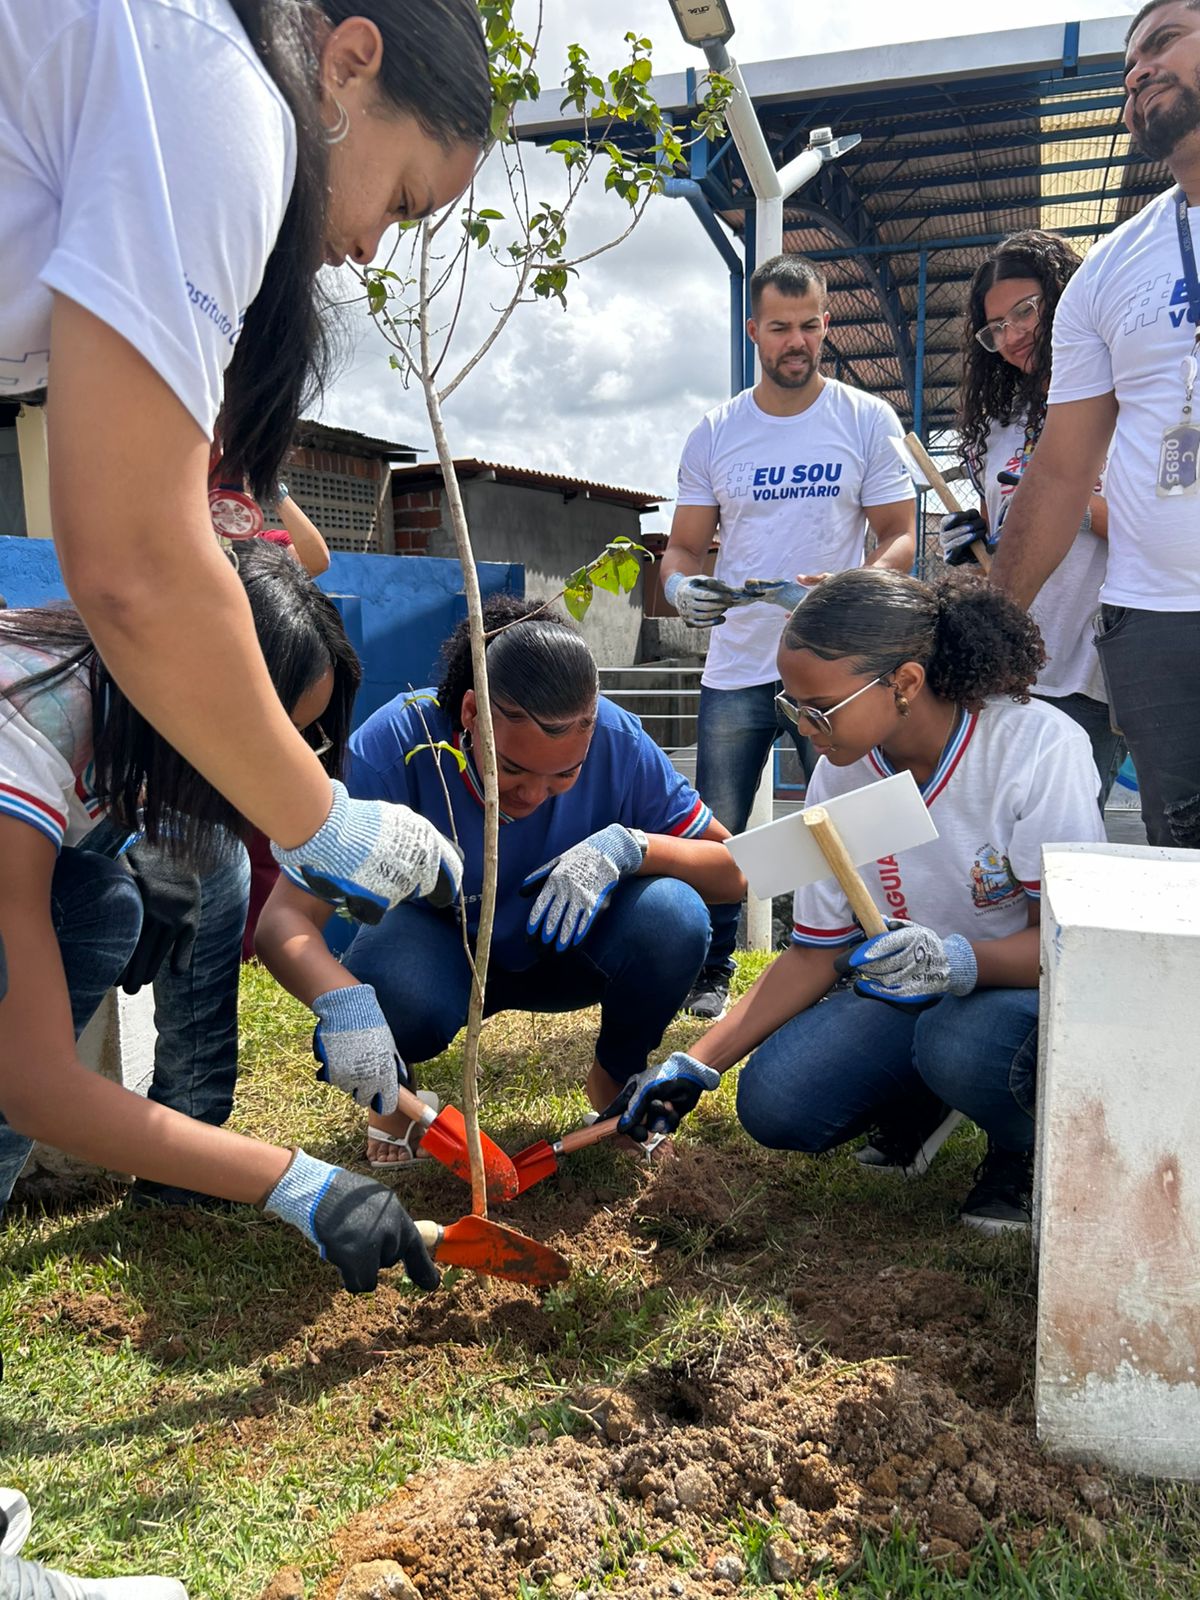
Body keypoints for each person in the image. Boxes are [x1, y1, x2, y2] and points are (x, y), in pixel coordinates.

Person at [0, 0, 485, 929]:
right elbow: (136, 560)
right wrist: (320, 817)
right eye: (402, 199)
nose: (369, 249)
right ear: (348, 64)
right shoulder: (220, 96)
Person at [606, 569, 1105, 1233]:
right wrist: (695, 1063)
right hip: (914, 996)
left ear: (903, 682)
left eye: (818, 708)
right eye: (792, 706)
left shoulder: (1036, 751)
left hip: (1017, 997)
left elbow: (1073, 949)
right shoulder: (842, 771)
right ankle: (926, 1096)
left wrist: (958, 963)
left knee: (962, 1042)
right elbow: (815, 956)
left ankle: (1022, 1148)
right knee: (777, 1104)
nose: (803, 727)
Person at [0, 542, 439, 1294]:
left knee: (180, 869)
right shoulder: (24, 733)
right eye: (279, 736)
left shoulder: (131, 694)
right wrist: (299, 1184)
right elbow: (33, 1085)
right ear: (209, 697)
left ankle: (182, 1162)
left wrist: (140, 841)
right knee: (101, 911)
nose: (294, 761)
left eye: (310, 741)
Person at [255, 597, 748, 1165]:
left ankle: (613, 1083)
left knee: (674, 915)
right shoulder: (398, 745)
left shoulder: (618, 740)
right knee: (395, 995)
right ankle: (394, 1103)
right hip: (443, 955)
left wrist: (632, 847)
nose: (533, 796)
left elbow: (732, 870)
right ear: (470, 714)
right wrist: (342, 1003)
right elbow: (282, 922)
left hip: (569, 950)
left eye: (566, 774)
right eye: (511, 768)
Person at [661, 252, 917, 1020]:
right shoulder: (716, 433)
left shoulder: (865, 419)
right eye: (780, 327)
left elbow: (901, 536)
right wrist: (680, 589)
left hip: (835, 671)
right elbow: (681, 546)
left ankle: (859, 957)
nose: (796, 341)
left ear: (826, 324)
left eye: (810, 325)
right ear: (754, 332)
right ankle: (712, 969)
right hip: (738, 662)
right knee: (717, 824)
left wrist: (850, 589)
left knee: (845, 818)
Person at [989, 0, 1200, 848]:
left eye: (1162, 43)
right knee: (1183, 872)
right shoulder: (1112, 270)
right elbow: (1063, 469)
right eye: (1127, 64)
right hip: (1153, 621)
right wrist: (992, 631)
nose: (1139, 69)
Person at [941, 230, 1126, 805]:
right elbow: (998, 550)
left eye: (1025, 311)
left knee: (1069, 840)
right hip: (1010, 664)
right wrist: (970, 545)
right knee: (993, 841)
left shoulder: (1127, 401)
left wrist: (1064, 505)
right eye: (995, 327)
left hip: (1088, 670)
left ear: (1064, 296)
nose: (1012, 335)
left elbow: (1155, 528)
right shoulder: (999, 423)